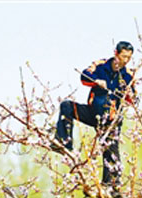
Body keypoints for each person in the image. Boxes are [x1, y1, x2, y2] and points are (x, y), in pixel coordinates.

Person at [54, 41, 136, 188]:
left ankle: (111, 185)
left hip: (110, 119)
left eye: (129, 58)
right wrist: (96, 81)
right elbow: (85, 76)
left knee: (111, 149)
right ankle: (63, 142)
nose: (125, 61)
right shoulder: (101, 65)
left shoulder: (128, 75)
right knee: (66, 106)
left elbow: (133, 98)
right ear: (116, 53)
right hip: (93, 112)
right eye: (123, 56)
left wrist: (127, 93)